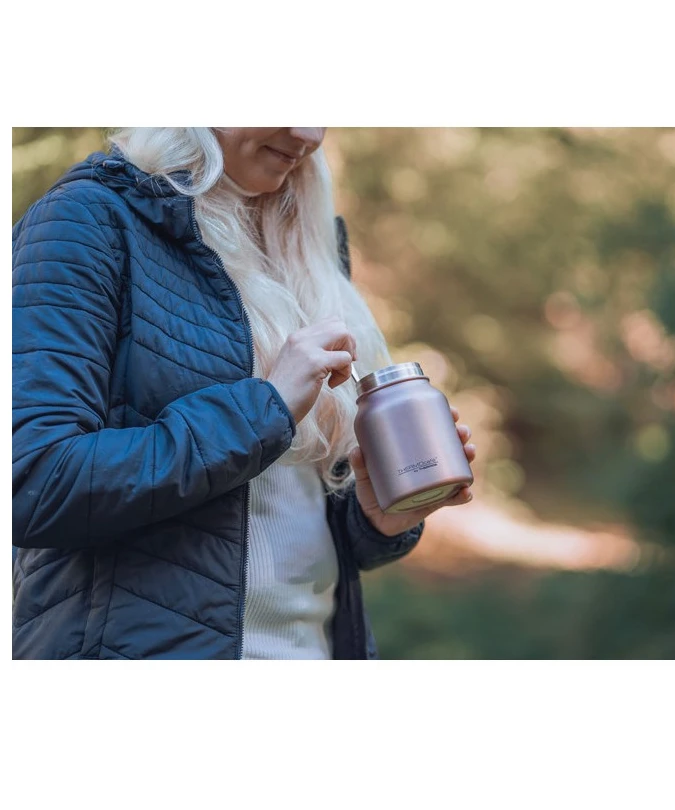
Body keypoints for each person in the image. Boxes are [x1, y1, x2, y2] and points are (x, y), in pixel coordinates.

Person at [12, 127, 476, 660]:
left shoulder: (306, 246)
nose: (308, 134)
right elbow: (33, 484)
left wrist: (371, 522)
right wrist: (265, 409)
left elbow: (272, 520)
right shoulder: (85, 222)